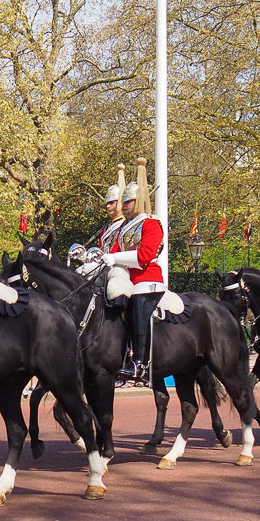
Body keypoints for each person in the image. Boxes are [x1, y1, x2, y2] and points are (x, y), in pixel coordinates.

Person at [101, 158, 165, 384]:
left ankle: (140, 361)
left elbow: (144, 256)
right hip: (129, 279)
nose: (123, 205)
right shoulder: (124, 229)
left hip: (147, 279)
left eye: (127, 201)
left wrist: (113, 257)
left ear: (139, 201)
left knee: (137, 303)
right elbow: (113, 253)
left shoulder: (151, 224)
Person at [90, 164, 127, 253]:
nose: (107, 206)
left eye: (111, 203)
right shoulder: (106, 229)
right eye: (107, 203)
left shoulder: (126, 226)